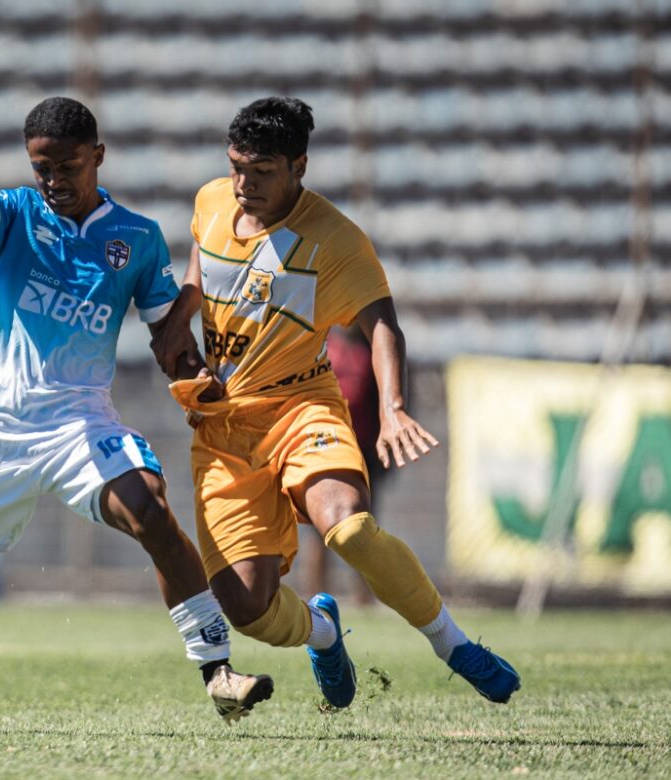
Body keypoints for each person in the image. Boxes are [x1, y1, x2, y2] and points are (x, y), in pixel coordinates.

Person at [0, 96, 273, 732]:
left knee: (151, 509)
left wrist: (198, 378)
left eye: (66, 166)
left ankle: (218, 671)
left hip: (79, 424)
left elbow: (167, 341)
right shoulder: (16, 212)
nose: (54, 181)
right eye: (43, 169)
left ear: (98, 157)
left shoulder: (136, 240)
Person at [152, 97, 520, 709]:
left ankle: (453, 644)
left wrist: (395, 406)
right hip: (222, 428)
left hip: (302, 409)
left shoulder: (337, 240)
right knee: (246, 607)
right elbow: (202, 266)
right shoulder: (212, 201)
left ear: (299, 166)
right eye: (238, 166)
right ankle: (324, 634)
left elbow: (383, 327)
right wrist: (180, 318)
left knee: (347, 528)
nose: (245, 184)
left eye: (263, 171)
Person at [303, 324, 381, 604]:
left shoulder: (371, 349)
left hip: (361, 453)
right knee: (319, 532)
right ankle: (318, 596)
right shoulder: (323, 346)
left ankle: (364, 597)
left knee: (362, 527)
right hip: (323, 447)